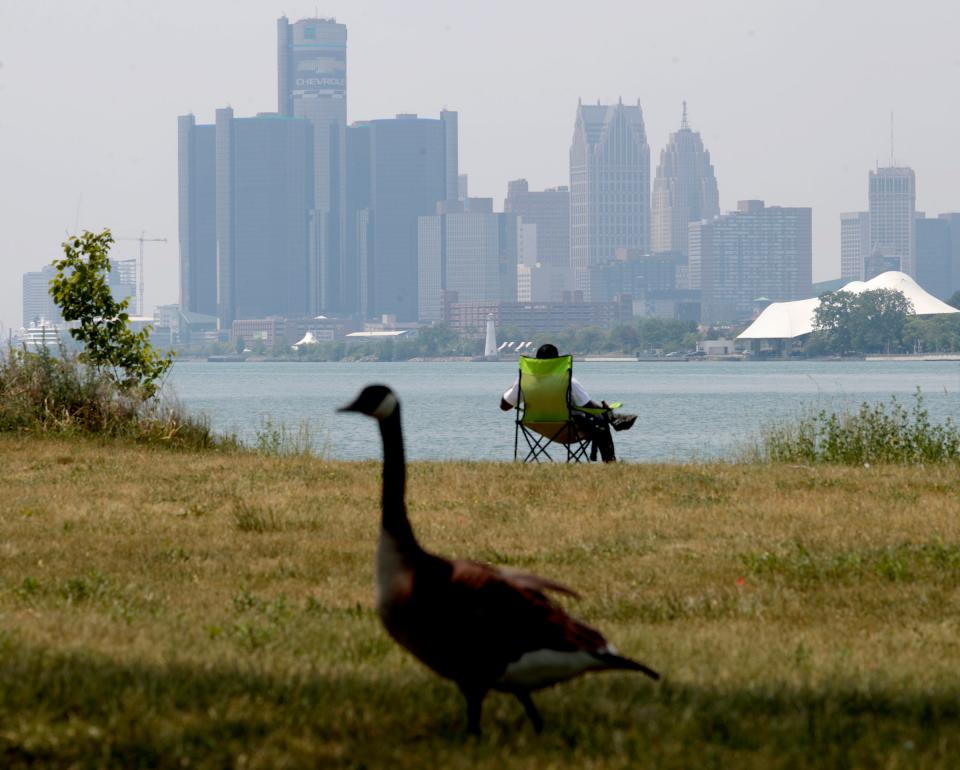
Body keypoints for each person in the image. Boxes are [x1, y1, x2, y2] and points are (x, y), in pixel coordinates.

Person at [500, 343, 636, 462]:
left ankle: (610, 419)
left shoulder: (523, 381)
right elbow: (587, 406)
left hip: (537, 425)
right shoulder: (568, 381)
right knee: (601, 426)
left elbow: (504, 406)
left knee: (600, 419)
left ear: (537, 362)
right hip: (568, 428)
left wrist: (513, 386)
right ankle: (610, 463)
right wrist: (605, 410)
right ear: (557, 361)